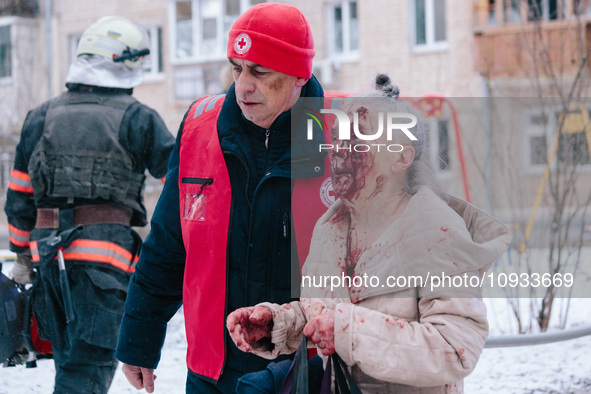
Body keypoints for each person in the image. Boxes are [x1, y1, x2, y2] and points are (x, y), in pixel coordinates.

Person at [227, 74, 512, 393]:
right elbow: (319, 310)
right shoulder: (331, 228)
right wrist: (277, 324)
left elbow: (454, 348)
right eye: (335, 139)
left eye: (358, 140)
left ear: (401, 157)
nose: (338, 152)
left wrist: (348, 332)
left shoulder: (438, 232)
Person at [114, 3, 325, 393]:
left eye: (260, 71)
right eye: (237, 67)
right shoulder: (199, 127)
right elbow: (167, 246)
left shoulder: (340, 142)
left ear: (299, 75)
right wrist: (139, 340)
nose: (242, 85)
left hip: (303, 372)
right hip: (211, 372)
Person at [4, 15, 175, 394]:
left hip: (49, 263)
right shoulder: (138, 118)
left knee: (71, 363)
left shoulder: (38, 118)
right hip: (105, 266)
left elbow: (19, 197)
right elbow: (183, 181)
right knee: (86, 370)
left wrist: (20, 257)